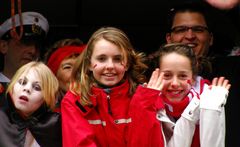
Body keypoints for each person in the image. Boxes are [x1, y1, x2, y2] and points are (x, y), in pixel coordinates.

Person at [61, 26, 165, 147]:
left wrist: (143, 106)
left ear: (127, 64)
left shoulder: (146, 98)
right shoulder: (73, 101)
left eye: (117, 59)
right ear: (89, 64)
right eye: (102, 59)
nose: (110, 66)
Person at [146, 43, 230, 147]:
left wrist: (212, 107)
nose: (175, 83)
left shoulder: (212, 97)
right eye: (167, 75)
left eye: (182, 76)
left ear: (194, 78)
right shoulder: (147, 102)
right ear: (156, 75)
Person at [0, 61, 61, 147]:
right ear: (12, 86)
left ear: (47, 98)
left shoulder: (55, 126)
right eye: (22, 82)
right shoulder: (1, 118)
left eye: (37, 87)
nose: (27, 89)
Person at [165, 1, 213, 79]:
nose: (190, 36)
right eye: (180, 30)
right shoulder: (153, 75)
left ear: (210, 38)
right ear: (169, 39)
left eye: (198, 29)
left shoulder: (233, 70)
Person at [0, 11, 49, 82]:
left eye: (38, 46)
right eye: (26, 42)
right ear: (3, 46)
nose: (33, 51)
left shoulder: (47, 90)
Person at [45, 38, 86, 111]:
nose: (77, 72)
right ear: (54, 77)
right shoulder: (43, 114)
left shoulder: (104, 107)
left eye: (81, 66)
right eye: (67, 67)